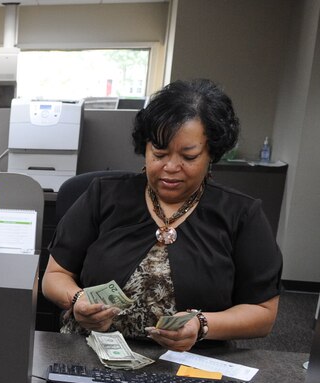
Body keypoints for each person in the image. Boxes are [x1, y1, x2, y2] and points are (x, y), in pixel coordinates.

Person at [42, 79, 282, 352]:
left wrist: (202, 325)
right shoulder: (104, 195)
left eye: (188, 157)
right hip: (90, 350)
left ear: (211, 155)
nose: (170, 167)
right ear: (145, 147)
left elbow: (263, 313)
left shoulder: (241, 214)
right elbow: (54, 275)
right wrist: (76, 300)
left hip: (189, 362)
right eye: (159, 153)